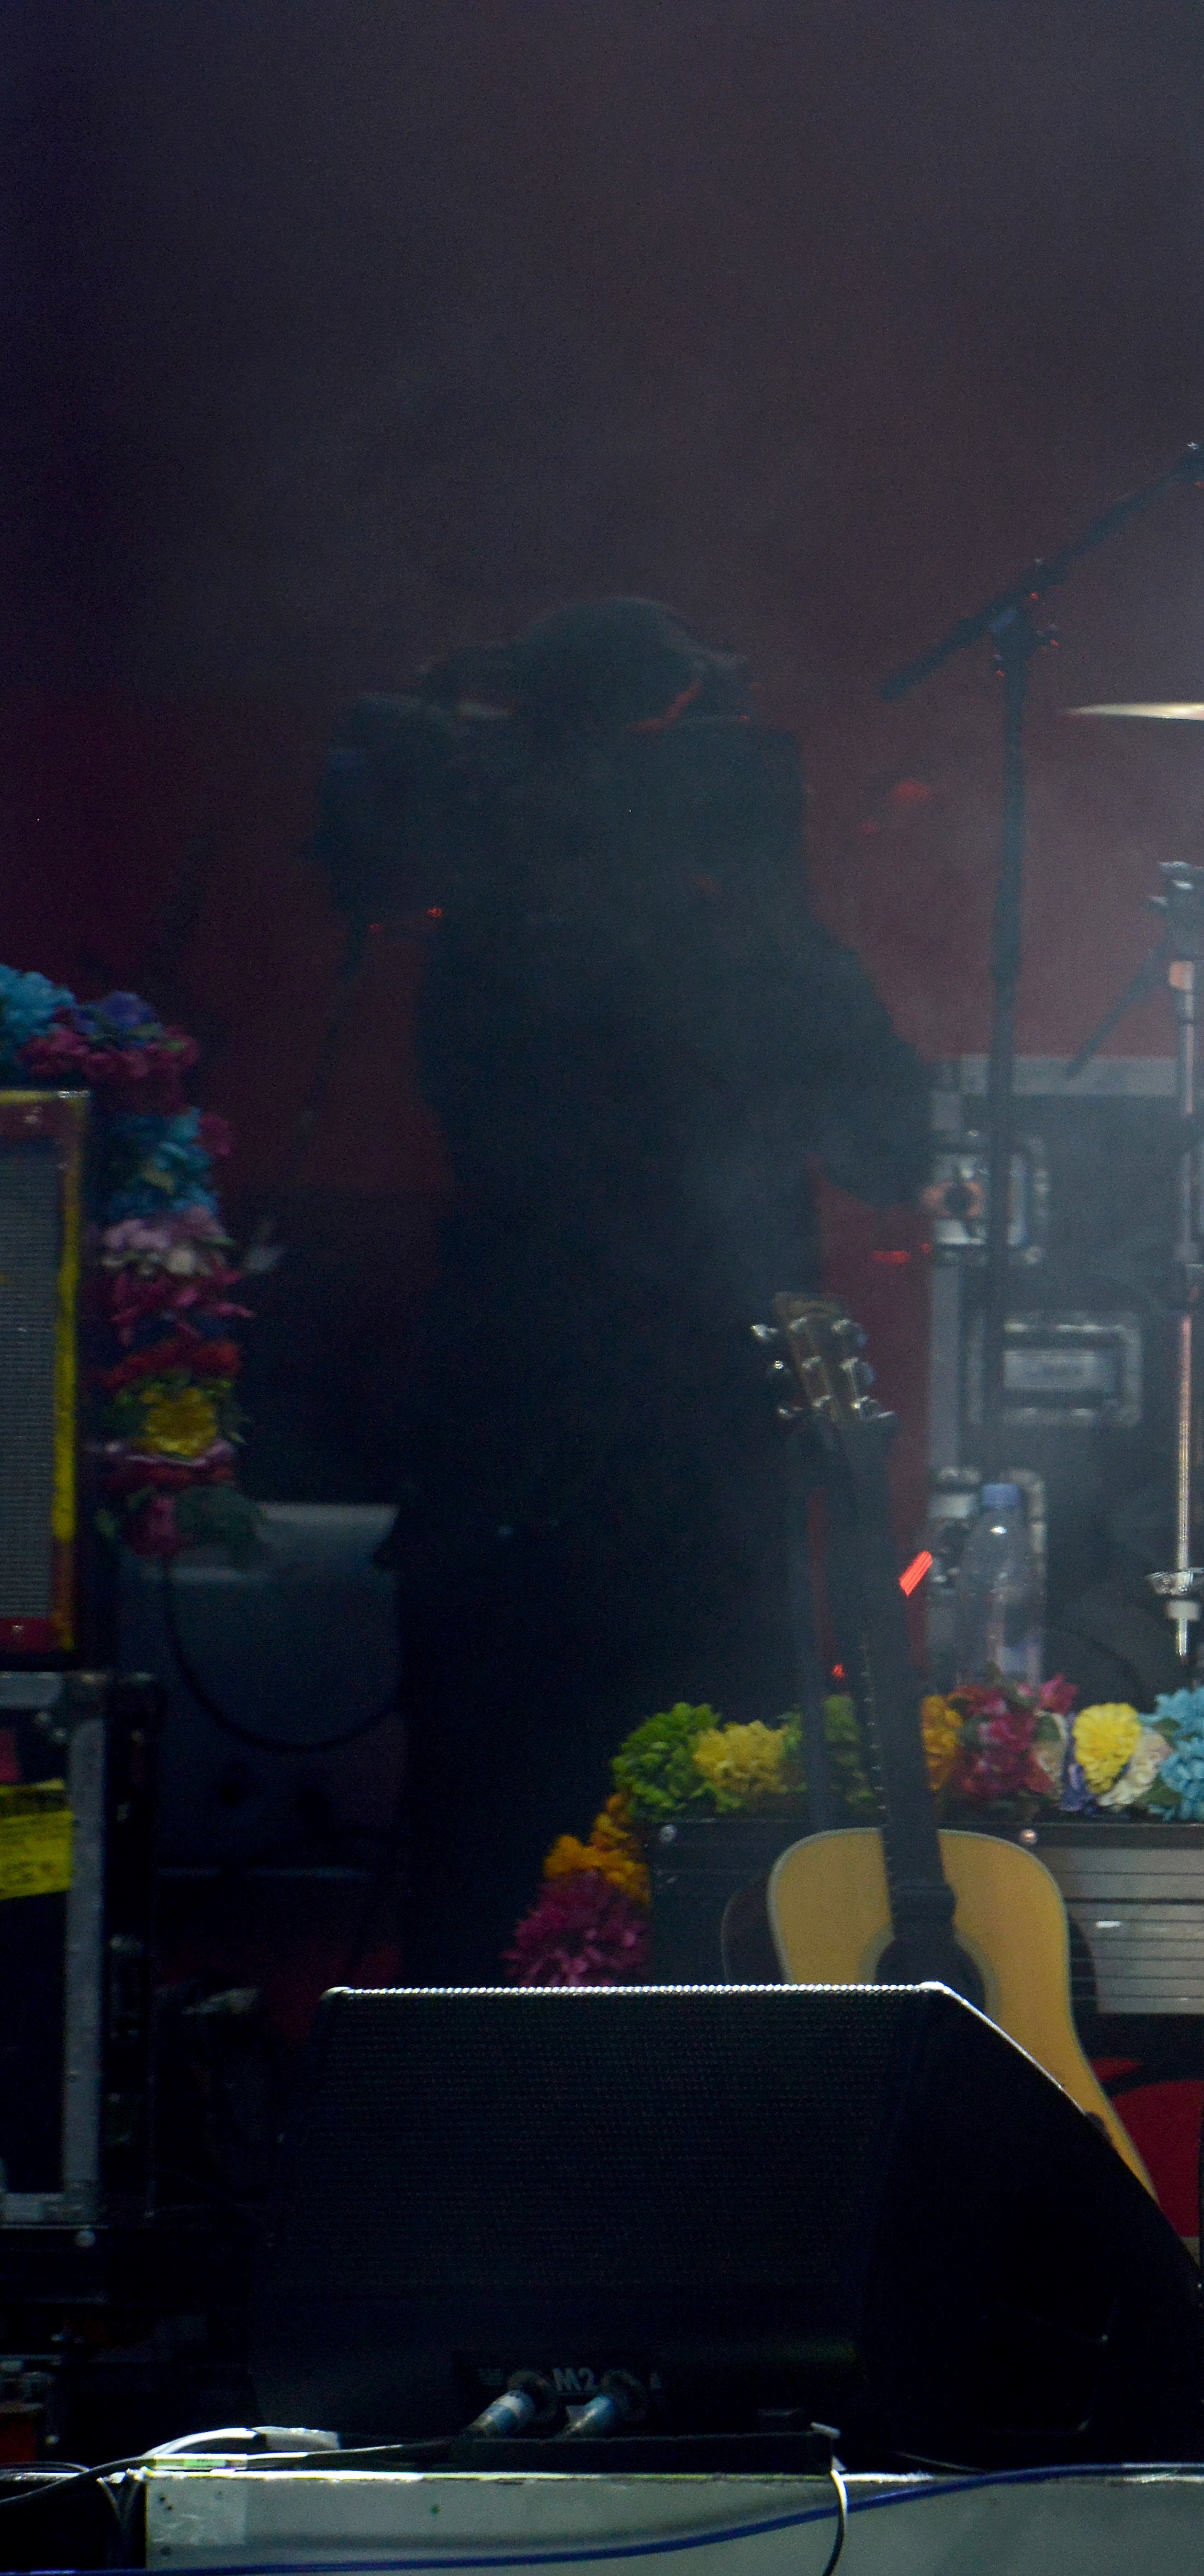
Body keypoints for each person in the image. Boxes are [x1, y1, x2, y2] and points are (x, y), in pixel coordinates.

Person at [311, 598, 929, 1982]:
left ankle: (500, 2146)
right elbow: (888, 1138)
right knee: (685, 1840)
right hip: (652, 1466)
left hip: (554, 1462)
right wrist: (773, 909)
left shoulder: (488, 936)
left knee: (530, 1851)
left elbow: (882, 1141)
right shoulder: (572, 945)